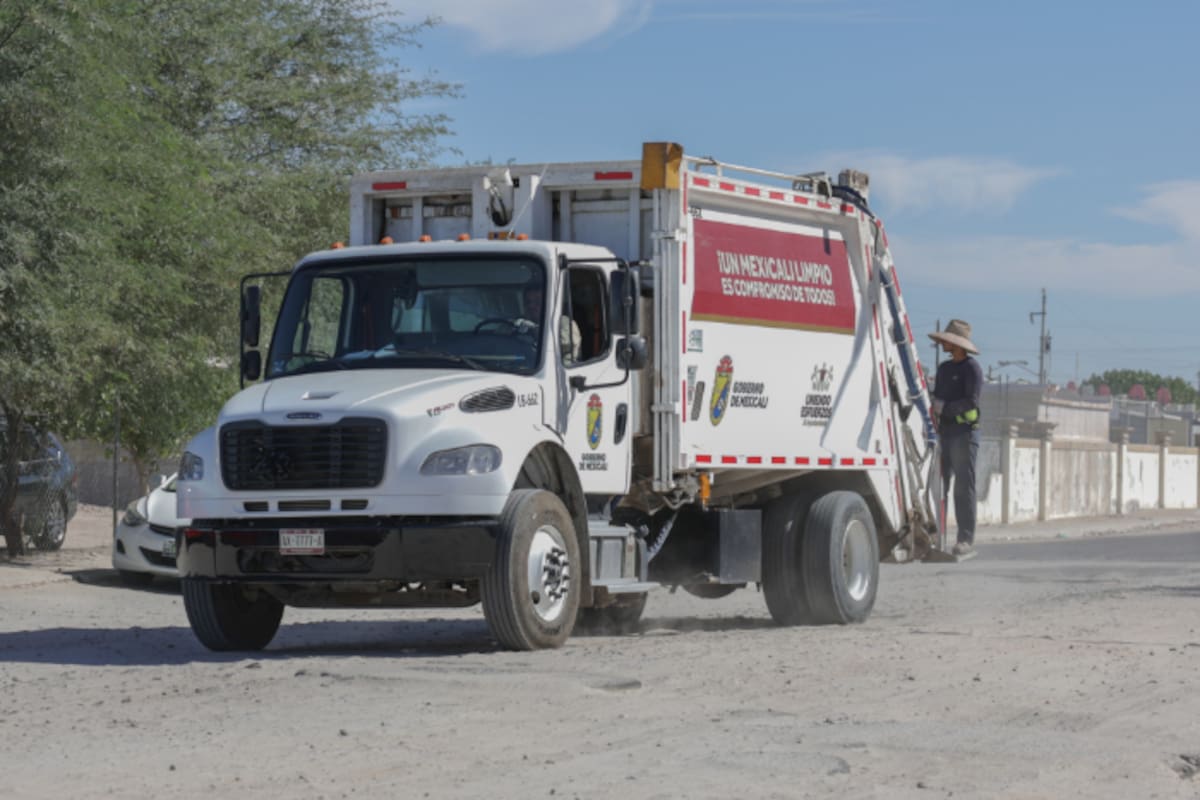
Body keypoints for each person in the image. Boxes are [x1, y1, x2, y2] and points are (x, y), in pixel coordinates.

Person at [928, 319, 983, 559]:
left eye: (948, 341)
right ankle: (935, 538)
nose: (944, 344)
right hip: (945, 434)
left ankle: (965, 539)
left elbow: (971, 402)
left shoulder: (972, 369)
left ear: (958, 345)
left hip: (965, 434)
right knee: (939, 488)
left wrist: (945, 407)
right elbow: (936, 397)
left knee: (963, 487)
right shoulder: (944, 369)